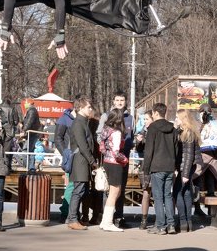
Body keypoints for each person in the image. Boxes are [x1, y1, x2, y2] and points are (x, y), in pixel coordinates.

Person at [97, 91, 134, 228]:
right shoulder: (107, 117)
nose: (119, 102)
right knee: (112, 189)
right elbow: (100, 136)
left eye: (122, 100)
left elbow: (132, 136)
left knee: (120, 188)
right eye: (117, 100)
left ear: (125, 102)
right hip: (116, 159)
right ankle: (108, 218)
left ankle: (119, 216)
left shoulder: (130, 117)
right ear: (113, 101)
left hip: (122, 156)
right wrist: (110, 150)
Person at [142, 103, 178, 235]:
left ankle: (161, 226)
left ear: (156, 113)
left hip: (157, 166)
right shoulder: (173, 128)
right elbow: (176, 149)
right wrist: (175, 166)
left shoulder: (152, 128)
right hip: (169, 166)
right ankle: (171, 225)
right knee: (167, 195)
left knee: (158, 197)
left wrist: (146, 169)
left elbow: (149, 150)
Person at [63, 97, 95, 230]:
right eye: (88, 107)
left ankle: (74, 218)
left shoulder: (83, 122)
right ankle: (72, 219)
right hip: (80, 162)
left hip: (82, 161)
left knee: (82, 190)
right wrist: (92, 161)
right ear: (81, 108)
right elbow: (82, 144)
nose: (91, 109)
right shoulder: (78, 123)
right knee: (78, 190)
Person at [174, 109, 202, 232]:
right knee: (186, 192)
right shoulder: (186, 131)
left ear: (183, 118)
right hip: (186, 166)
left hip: (185, 167)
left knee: (177, 192)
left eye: (177, 118)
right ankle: (188, 222)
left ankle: (183, 221)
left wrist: (185, 173)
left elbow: (189, 155)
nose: (175, 120)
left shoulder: (188, 133)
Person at [55, 105, 76, 221]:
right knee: (71, 185)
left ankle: (71, 212)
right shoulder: (64, 119)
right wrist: (66, 154)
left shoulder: (83, 118)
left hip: (79, 156)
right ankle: (65, 211)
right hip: (70, 156)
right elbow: (58, 138)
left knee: (75, 186)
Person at [198, 104, 217, 198]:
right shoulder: (215, 122)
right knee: (207, 176)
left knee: (204, 176)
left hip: (207, 154)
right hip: (208, 154)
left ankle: (204, 194)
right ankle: (209, 193)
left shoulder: (214, 123)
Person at [134, 110, 153, 229]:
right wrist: (139, 142)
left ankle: (163, 219)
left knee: (159, 193)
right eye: (144, 119)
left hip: (156, 164)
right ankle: (144, 219)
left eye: (147, 119)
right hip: (145, 165)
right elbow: (139, 150)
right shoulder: (142, 131)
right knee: (146, 191)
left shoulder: (157, 130)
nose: (145, 121)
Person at [19, 99, 42, 172]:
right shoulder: (31, 110)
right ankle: (31, 167)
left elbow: (29, 122)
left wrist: (24, 130)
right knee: (30, 151)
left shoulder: (32, 111)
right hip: (31, 133)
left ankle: (30, 167)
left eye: (26, 103)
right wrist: (22, 122)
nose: (25, 104)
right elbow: (28, 121)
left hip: (32, 134)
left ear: (29, 103)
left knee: (26, 150)